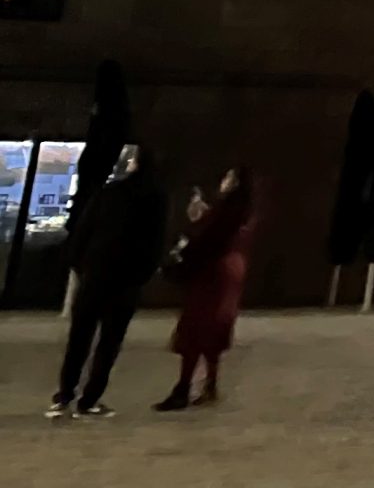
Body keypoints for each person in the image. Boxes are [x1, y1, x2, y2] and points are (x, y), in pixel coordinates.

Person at [51, 143, 166, 419]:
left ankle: (64, 394)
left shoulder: (109, 193)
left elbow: (83, 231)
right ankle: (90, 399)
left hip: (96, 274)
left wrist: (79, 265)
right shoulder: (156, 199)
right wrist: (143, 275)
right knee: (109, 342)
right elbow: (155, 243)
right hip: (126, 281)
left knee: (79, 337)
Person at [156, 167, 255, 412]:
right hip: (229, 271)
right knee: (215, 327)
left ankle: (183, 388)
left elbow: (207, 240)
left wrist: (184, 251)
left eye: (228, 177)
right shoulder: (238, 212)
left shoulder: (225, 213)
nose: (223, 182)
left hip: (212, 274)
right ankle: (209, 384)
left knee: (195, 327)